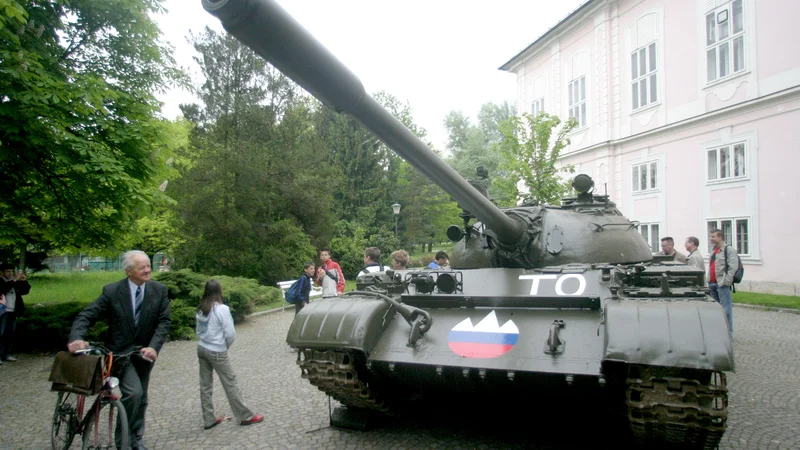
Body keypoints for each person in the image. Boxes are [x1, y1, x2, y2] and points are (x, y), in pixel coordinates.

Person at [67, 250, 171, 450]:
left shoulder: (159, 290)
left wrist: (154, 347)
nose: (148, 270)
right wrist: (77, 338)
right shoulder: (113, 291)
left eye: (149, 265)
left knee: (142, 397)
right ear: (128, 271)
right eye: (142, 267)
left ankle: (136, 438)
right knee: (133, 393)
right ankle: (122, 440)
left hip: (144, 354)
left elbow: (164, 322)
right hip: (119, 355)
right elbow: (86, 316)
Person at [195, 279, 264, 430]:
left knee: (205, 385)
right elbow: (230, 333)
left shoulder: (201, 309)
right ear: (219, 291)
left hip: (202, 348)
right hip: (217, 350)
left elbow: (198, 331)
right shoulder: (222, 309)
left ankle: (208, 418)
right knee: (230, 382)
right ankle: (245, 416)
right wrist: (224, 346)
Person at [707, 229, 739, 337]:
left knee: (726, 310)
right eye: (711, 236)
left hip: (722, 284)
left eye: (713, 237)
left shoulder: (728, 250)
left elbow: (733, 266)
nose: (711, 239)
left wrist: (727, 281)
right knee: (715, 310)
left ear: (720, 237)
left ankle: (728, 334)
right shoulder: (714, 250)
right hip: (712, 283)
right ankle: (717, 332)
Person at [0, 263, 30, 363]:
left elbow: (24, 291)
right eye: (7, 271)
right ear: (2, 272)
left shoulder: (14, 281)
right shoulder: (2, 281)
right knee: (1, 333)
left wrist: (23, 281)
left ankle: (6, 354)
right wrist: (14, 280)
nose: (10, 273)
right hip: (2, 310)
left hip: (12, 311)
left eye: (12, 271)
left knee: (9, 333)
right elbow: (4, 289)